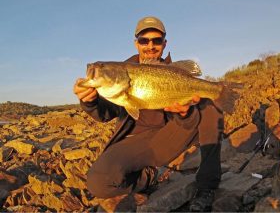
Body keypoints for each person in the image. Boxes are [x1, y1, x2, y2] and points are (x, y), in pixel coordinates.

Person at [73, 16, 223, 212]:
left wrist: (184, 114)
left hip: (167, 138)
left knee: (211, 105)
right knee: (98, 182)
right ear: (136, 44)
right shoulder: (123, 72)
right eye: (144, 40)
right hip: (136, 142)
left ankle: (206, 186)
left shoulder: (174, 71)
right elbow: (104, 114)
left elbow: (188, 124)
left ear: (164, 44)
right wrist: (89, 101)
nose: (150, 46)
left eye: (157, 40)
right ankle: (150, 177)